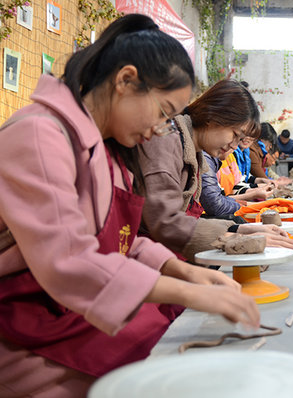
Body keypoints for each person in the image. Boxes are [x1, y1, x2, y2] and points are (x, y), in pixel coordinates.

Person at [0, 14, 259, 396]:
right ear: (124, 81)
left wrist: (182, 271)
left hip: (67, 306)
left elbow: (118, 241)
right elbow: (69, 260)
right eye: (163, 113)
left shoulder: (107, 149)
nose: (160, 129)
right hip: (24, 319)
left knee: (172, 351)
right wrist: (188, 292)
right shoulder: (39, 134)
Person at [139, 79, 293, 261]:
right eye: (235, 136)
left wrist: (241, 229)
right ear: (213, 117)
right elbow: (164, 223)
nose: (234, 145)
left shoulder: (195, 152)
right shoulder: (167, 142)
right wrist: (236, 236)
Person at [201, 149, 273, 218]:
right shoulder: (208, 160)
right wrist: (255, 196)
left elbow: (238, 183)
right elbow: (218, 202)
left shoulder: (231, 156)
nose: (234, 146)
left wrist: (259, 187)